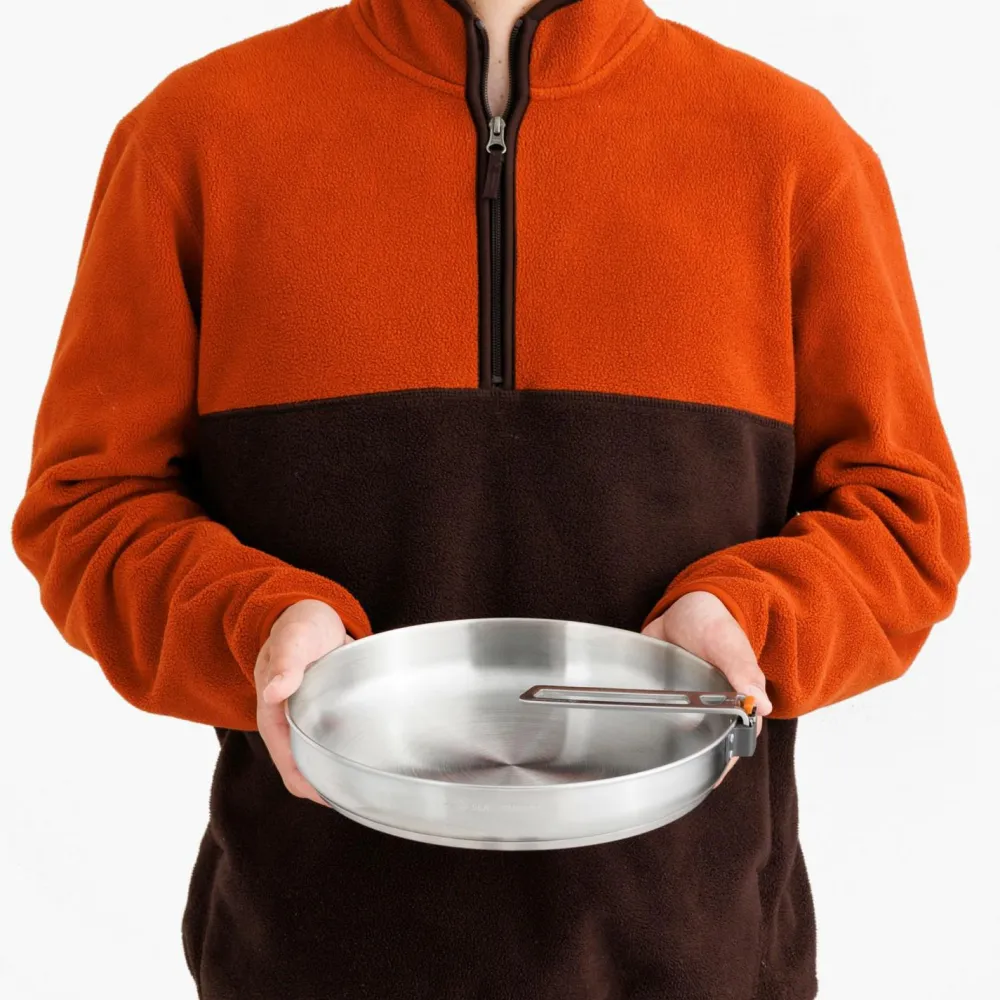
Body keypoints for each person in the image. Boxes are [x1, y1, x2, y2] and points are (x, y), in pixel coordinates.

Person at [11, 0, 970, 997]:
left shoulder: (792, 150)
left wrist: (749, 618)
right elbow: (90, 505)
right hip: (306, 956)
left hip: (698, 958)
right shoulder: (195, 137)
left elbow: (906, 517)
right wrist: (255, 624)